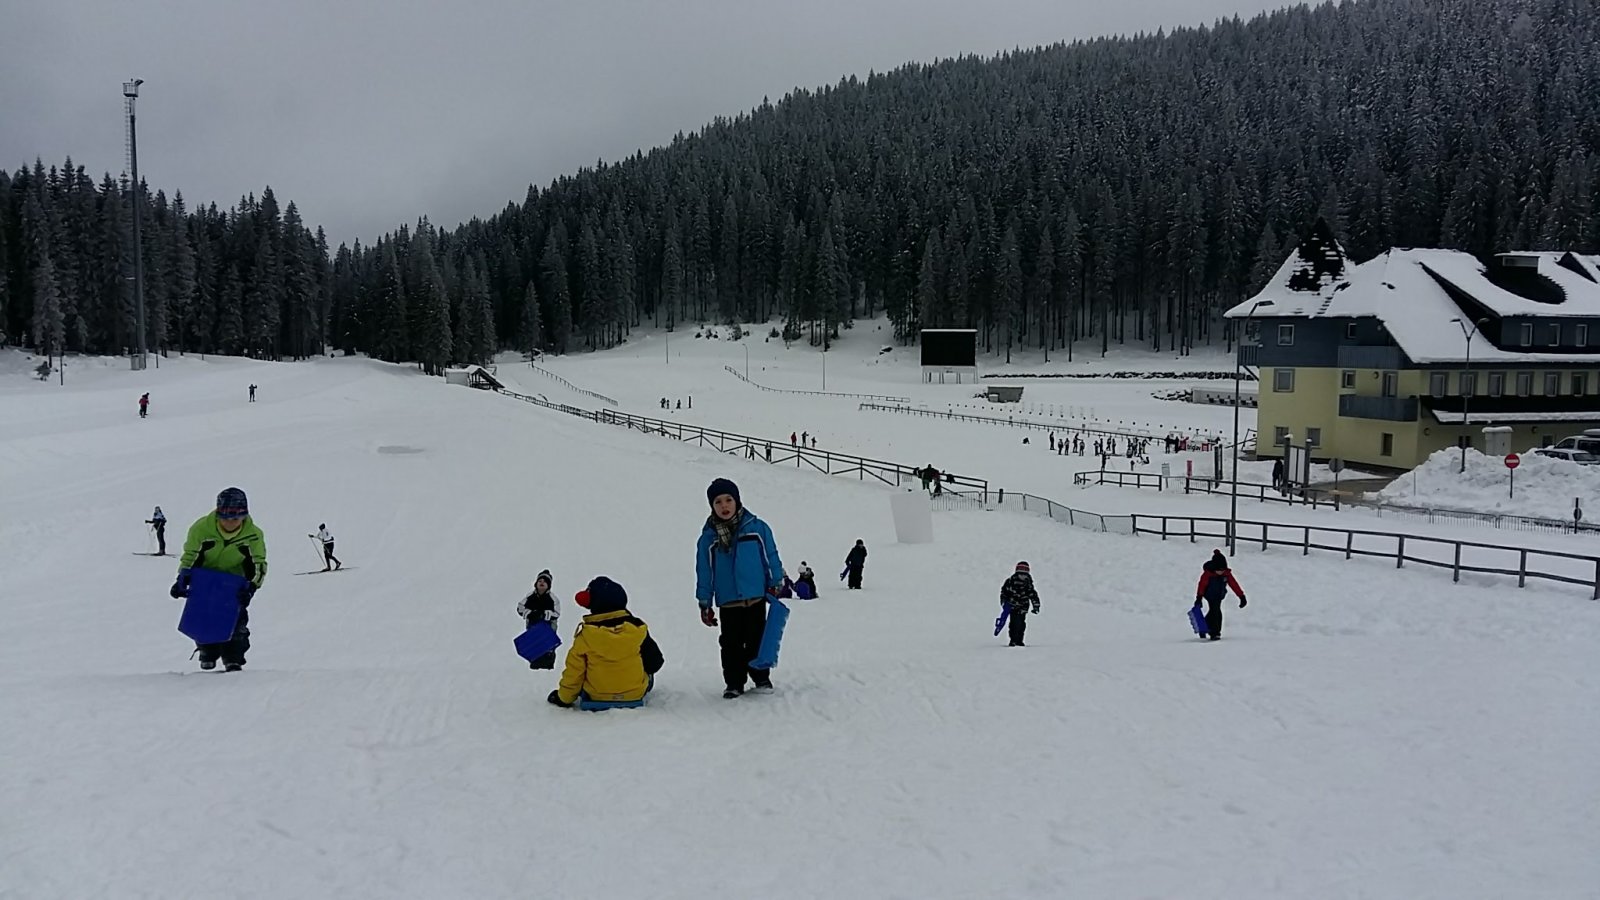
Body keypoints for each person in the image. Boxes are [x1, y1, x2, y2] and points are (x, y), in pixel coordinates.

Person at [696, 477, 786, 699]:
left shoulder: (757, 528)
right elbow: (705, 571)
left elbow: (771, 556)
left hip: (755, 596)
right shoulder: (708, 538)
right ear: (711, 506)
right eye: (718, 502)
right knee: (731, 644)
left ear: (737, 501)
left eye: (728, 500)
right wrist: (704, 601)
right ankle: (734, 682)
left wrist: (775, 581)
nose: (724, 506)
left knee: (757, 639)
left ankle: (761, 676)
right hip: (728, 600)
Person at [170, 487, 267, 671]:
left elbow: (259, 563)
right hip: (205, 580)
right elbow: (190, 555)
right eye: (226, 518)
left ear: (244, 516)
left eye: (236, 518)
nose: (231, 523)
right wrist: (182, 578)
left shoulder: (253, 535)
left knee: (236, 621)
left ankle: (233, 658)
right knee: (203, 616)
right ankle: (207, 652)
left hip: (233, 583)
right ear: (218, 514)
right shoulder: (201, 529)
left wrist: (252, 586)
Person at [547, 576, 663, 710]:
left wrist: (564, 698)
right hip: (634, 694)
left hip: (597, 695)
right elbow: (655, 663)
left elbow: (574, 673)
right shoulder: (637, 630)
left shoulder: (586, 635)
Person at [1194, 549, 1247, 641]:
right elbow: (1201, 586)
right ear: (1214, 568)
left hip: (1219, 595)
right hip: (1209, 595)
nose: (1221, 572)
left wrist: (1241, 596)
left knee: (1213, 611)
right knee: (1216, 611)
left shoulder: (1226, 574)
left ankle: (1202, 627)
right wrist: (1199, 598)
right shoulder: (1207, 574)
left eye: (1223, 570)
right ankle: (1215, 633)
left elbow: (1234, 585)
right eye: (1219, 570)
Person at [517, 569, 560, 669]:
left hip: (548, 626)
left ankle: (548, 662)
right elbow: (520, 608)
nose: (542, 583)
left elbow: (557, 613)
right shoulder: (530, 596)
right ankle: (535, 662)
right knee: (534, 644)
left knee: (547, 645)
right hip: (533, 624)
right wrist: (530, 613)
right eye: (540, 581)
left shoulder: (552, 598)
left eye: (545, 582)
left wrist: (545, 614)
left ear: (548, 585)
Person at [999, 561, 1040, 647]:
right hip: (1012, 606)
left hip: (1023, 607)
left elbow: (1033, 594)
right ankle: (1013, 640)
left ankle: (1019, 640)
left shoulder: (1028, 584)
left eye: (1024, 575)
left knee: (1021, 624)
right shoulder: (1010, 582)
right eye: (1021, 574)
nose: (1022, 577)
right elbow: (1004, 592)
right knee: (1014, 623)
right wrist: (1004, 602)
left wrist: (1036, 605)